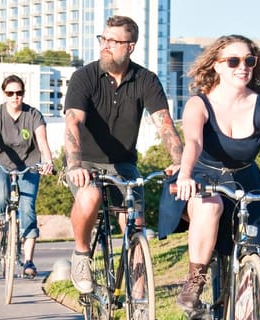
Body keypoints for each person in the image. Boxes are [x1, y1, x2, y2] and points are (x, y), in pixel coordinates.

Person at [158, 35, 260, 313]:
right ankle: (194, 284)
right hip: (202, 177)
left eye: (249, 60)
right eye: (233, 61)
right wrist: (184, 175)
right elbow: (194, 144)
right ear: (217, 66)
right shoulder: (200, 104)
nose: (242, 66)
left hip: (246, 180)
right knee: (210, 207)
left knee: (251, 247)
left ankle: (246, 299)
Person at [63, 15, 183, 294]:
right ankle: (81, 255)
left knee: (135, 226)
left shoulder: (146, 80)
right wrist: (75, 164)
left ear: (130, 46)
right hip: (85, 162)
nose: (105, 46)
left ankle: (139, 302)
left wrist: (179, 162)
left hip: (124, 165)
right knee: (90, 195)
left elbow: (164, 124)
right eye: (103, 39)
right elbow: (73, 123)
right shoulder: (85, 77)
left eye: (113, 41)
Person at [0, 75, 55, 278]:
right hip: (0, 164)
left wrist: (48, 161)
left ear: (23, 93)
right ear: (4, 94)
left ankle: (29, 261)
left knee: (28, 209)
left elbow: (42, 141)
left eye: (19, 93)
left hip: (29, 166)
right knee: (0, 196)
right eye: (10, 93)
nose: (15, 97)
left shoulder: (33, 115)